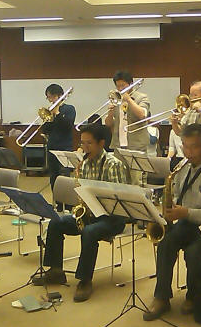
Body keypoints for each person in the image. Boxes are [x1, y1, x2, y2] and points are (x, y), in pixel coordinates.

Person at [34, 123, 129, 302]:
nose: (84, 148)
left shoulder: (113, 165)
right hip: (91, 213)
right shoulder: (84, 164)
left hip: (112, 218)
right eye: (82, 143)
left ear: (101, 143)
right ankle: (56, 270)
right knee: (56, 223)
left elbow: (118, 202)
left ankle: (85, 280)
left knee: (89, 232)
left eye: (89, 143)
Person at [144, 124, 201, 321]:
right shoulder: (183, 166)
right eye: (185, 146)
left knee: (194, 252)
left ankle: (193, 296)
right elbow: (177, 194)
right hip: (187, 221)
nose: (188, 152)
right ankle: (162, 297)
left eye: (193, 147)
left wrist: (185, 213)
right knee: (165, 244)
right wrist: (170, 207)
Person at [41, 84, 76, 193]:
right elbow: (45, 130)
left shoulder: (69, 109)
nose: (50, 100)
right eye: (48, 97)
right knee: (53, 177)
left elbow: (67, 126)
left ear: (60, 95)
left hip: (64, 148)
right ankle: (56, 201)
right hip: (52, 148)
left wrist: (57, 113)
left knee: (64, 178)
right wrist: (49, 119)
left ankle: (65, 202)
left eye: (52, 97)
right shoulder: (49, 111)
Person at [105, 70, 150, 153]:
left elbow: (142, 115)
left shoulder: (142, 97)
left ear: (131, 84)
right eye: (118, 86)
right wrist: (110, 113)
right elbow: (108, 124)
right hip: (118, 145)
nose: (120, 89)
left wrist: (129, 99)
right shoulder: (116, 99)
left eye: (123, 85)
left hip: (137, 146)